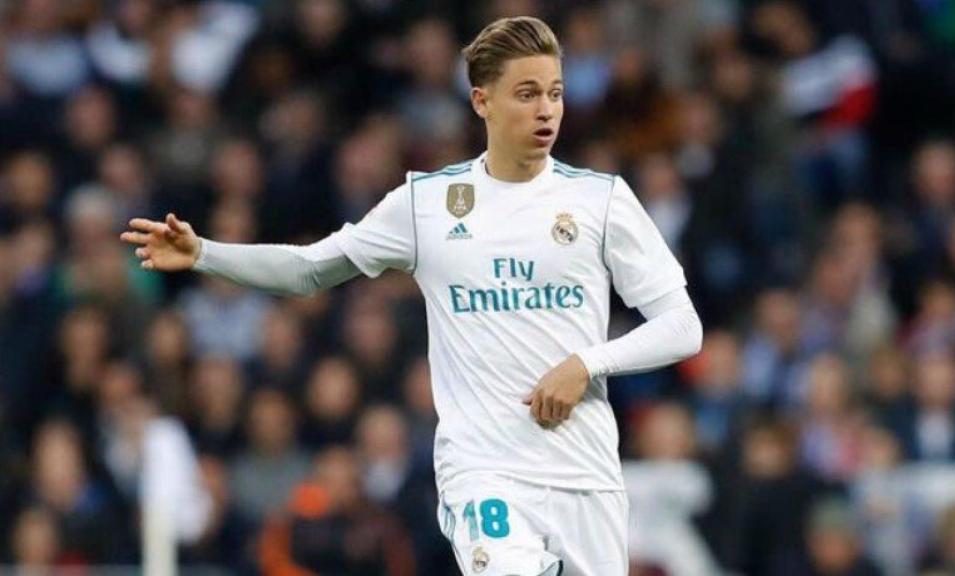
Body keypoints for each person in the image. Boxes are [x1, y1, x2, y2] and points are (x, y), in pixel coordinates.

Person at [120, 16, 702, 576]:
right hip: (485, 470)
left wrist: (588, 362)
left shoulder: (601, 201)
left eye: (554, 92)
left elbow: (682, 325)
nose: (546, 108)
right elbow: (309, 270)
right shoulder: (429, 205)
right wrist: (206, 254)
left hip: (585, 471)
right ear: (482, 101)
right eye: (526, 93)